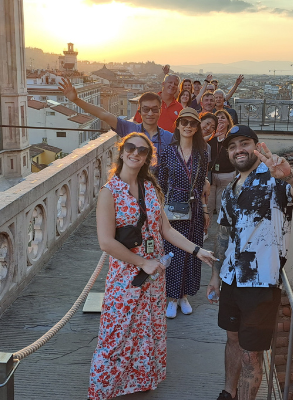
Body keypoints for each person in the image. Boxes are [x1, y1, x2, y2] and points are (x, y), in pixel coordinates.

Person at [91, 132, 216, 400]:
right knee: (118, 331)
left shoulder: (150, 188)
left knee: (146, 328)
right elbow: (105, 242)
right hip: (127, 275)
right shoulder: (109, 192)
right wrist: (142, 262)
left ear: (149, 157)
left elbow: (166, 229)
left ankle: (138, 381)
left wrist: (197, 250)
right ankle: (104, 388)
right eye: (131, 148)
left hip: (154, 272)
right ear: (122, 152)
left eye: (143, 150)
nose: (136, 153)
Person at [207, 125, 293, 400]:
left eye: (244, 143)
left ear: (256, 146)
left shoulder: (274, 179)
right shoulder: (231, 189)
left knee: (250, 352)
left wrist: (289, 174)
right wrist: (215, 274)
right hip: (231, 278)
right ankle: (228, 393)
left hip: (261, 282)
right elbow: (224, 235)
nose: (238, 150)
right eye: (232, 147)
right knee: (231, 339)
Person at [157, 108, 210, 318]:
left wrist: (205, 210)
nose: (188, 126)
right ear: (178, 125)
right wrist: (159, 210)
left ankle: (184, 296)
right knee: (173, 251)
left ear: (197, 127)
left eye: (192, 123)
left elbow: (203, 184)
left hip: (195, 207)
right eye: (184, 122)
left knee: (192, 252)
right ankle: (171, 297)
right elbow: (160, 183)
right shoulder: (168, 152)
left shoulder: (202, 153)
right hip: (173, 208)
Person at [58, 78, 173, 169]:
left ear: (160, 111)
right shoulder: (129, 129)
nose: (150, 113)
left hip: (156, 193)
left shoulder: (169, 138)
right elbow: (103, 114)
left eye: (154, 109)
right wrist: (76, 100)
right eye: (146, 109)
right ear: (140, 111)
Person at [207, 110, 236, 215]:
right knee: (208, 207)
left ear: (228, 121)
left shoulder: (232, 138)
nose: (220, 120)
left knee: (222, 207)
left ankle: (222, 231)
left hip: (226, 176)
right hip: (210, 177)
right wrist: (212, 135)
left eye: (223, 117)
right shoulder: (209, 137)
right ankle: (206, 231)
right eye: (217, 118)